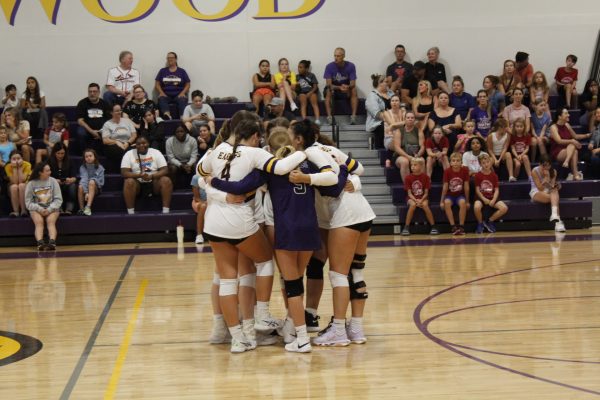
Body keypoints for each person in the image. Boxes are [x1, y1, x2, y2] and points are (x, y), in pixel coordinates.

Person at [196, 118, 308, 353]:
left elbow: (200, 173)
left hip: (214, 220)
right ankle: (263, 314)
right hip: (239, 219)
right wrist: (302, 153)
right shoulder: (255, 152)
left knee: (227, 278)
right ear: (256, 136)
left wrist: (216, 191)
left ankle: (239, 338)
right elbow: (280, 168)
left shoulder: (218, 150)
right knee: (265, 260)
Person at [121, 135, 172, 214]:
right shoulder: (129, 154)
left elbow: (165, 170)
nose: (141, 145)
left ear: (148, 143)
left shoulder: (155, 152)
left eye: (144, 143)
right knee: (128, 182)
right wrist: (139, 175)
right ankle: (130, 213)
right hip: (137, 183)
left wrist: (152, 176)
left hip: (154, 182)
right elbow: (124, 173)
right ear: (135, 145)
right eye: (138, 144)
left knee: (166, 180)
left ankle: (166, 211)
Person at [25, 162, 62, 250]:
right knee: (39, 222)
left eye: (49, 170)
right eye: (47, 170)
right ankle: (40, 243)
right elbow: (28, 202)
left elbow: (58, 199)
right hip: (36, 208)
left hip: (52, 207)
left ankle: (52, 243)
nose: (50, 172)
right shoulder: (31, 183)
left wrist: (49, 209)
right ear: (40, 172)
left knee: (50, 221)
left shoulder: (53, 181)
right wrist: (39, 209)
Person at [550, 108, 590, 180]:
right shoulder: (553, 127)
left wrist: (587, 135)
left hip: (569, 150)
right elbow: (559, 141)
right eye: (566, 113)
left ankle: (571, 169)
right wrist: (572, 141)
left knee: (574, 149)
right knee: (573, 145)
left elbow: (575, 136)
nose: (569, 115)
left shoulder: (567, 125)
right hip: (558, 151)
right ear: (559, 116)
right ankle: (575, 173)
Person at [473, 152, 508, 233]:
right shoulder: (478, 175)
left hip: (492, 196)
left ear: (490, 162)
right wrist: (484, 199)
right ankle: (480, 223)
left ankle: (489, 221)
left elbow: (496, 190)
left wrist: (493, 200)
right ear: (480, 164)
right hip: (481, 197)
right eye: (483, 163)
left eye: (487, 162)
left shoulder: (494, 175)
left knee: (504, 208)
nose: (486, 164)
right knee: (476, 207)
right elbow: (477, 190)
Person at [401, 157, 437, 235]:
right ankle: (406, 227)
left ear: (421, 166)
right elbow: (409, 193)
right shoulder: (408, 178)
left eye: (415, 165)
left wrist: (421, 200)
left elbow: (426, 193)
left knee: (425, 205)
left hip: (423, 197)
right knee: (413, 205)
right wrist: (416, 200)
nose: (412, 167)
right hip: (411, 198)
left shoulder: (426, 177)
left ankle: (433, 226)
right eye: (412, 165)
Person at [530, 155, 566, 232]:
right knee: (555, 199)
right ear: (539, 164)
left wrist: (556, 185)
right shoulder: (534, 171)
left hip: (548, 192)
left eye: (548, 165)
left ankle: (554, 216)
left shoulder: (554, 171)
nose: (546, 168)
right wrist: (546, 178)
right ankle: (558, 222)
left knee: (555, 192)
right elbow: (540, 188)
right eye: (544, 165)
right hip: (536, 192)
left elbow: (551, 188)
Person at [323, 47, 358, 125]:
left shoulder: (351, 66)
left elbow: (353, 83)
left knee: (354, 90)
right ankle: (329, 117)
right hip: (334, 89)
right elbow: (329, 84)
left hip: (346, 89)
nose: (336, 58)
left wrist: (347, 87)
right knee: (328, 90)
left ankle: (353, 117)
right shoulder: (329, 66)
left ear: (343, 56)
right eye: (335, 56)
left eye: (338, 56)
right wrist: (339, 87)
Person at [101, 104, 137, 172]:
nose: (119, 112)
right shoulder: (107, 124)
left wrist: (128, 143)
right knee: (117, 150)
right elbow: (105, 140)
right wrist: (116, 142)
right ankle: (125, 170)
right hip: (114, 145)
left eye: (120, 110)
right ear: (111, 113)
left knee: (134, 149)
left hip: (127, 143)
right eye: (117, 111)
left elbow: (134, 135)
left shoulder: (127, 121)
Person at [440, 152, 469, 235]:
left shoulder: (465, 170)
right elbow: (445, 187)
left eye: (458, 161)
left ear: (461, 162)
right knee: (447, 203)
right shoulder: (447, 171)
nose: (455, 162)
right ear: (450, 163)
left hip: (460, 195)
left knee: (463, 203)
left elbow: (466, 187)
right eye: (453, 161)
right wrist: (441, 201)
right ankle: (453, 226)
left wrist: (467, 201)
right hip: (450, 195)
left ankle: (461, 226)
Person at [76, 83, 111, 153]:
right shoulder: (82, 103)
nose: (92, 94)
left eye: (94, 91)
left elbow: (109, 121)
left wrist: (100, 131)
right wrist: (92, 131)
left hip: (102, 130)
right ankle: (85, 154)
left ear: (98, 92)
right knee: (80, 132)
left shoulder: (105, 104)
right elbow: (80, 121)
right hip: (87, 129)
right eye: (90, 91)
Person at [155, 51, 190, 119]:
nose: (170, 59)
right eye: (168, 58)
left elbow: (188, 84)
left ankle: (183, 118)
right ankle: (167, 116)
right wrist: (161, 93)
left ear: (176, 59)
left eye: (172, 57)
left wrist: (183, 93)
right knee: (161, 99)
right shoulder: (162, 71)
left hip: (179, 94)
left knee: (182, 99)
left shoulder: (182, 71)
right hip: (166, 95)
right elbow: (157, 84)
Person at [393, 111, 425, 182]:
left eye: (412, 118)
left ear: (414, 120)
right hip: (401, 155)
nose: (410, 119)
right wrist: (408, 157)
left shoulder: (419, 131)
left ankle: (420, 184)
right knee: (405, 162)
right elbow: (397, 148)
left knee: (421, 160)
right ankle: (408, 186)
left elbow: (422, 146)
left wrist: (418, 155)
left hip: (415, 155)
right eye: (408, 118)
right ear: (405, 120)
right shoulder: (399, 131)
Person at [48, 142, 77, 215]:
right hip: (54, 185)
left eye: (62, 153)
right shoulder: (49, 161)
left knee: (73, 186)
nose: (60, 155)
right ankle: (59, 208)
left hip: (66, 184)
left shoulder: (70, 161)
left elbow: (74, 177)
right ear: (54, 153)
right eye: (58, 153)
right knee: (55, 185)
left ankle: (69, 209)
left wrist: (71, 180)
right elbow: (45, 176)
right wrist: (54, 180)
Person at [366, 74, 393, 149]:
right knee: (384, 126)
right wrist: (391, 121)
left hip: (393, 120)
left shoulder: (391, 93)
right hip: (378, 122)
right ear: (379, 83)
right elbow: (377, 114)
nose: (387, 84)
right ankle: (382, 149)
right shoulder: (372, 96)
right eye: (386, 82)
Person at [78, 148, 104, 216]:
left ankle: (88, 207)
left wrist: (92, 182)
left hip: (96, 188)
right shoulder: (83, 167)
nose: (88, 158)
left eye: (90, 156)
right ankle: (81, 209)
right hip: (85, 187)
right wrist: (86, 192)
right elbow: (84, 178)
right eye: (86, 156)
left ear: (94, 157)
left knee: (92, 181)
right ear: (84, 158)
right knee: (80, 186)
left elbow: (101, 182)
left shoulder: (100, 167)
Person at [5, 150, 31, 217]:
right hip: (13, 185)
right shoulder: (7, 166)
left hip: (25, 184)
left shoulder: (27, 164)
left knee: (21, 185)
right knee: (14, 187)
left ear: (22, 158)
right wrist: (14, 168)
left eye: (18, 158)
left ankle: (23, 210)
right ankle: (16, 211)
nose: (16, 161)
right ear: (10, 160)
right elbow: (15, 182)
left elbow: (22, 180)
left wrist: (19, 168)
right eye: (14, 159)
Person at [191, 174, 207, 244]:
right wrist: (206, 203)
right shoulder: (196, 177)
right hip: (199, 202)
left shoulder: (216, 176)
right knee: (203, 207)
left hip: (213, 202)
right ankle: (199, 235)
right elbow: (197, 197)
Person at [588, 108, 600, 178]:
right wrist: (591, 144)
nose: (598, 115)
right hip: (597, 152)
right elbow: (593, 138)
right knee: (592, 158)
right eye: (596, 113)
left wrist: (598, 150)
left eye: (599, 113)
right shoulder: (596, 127)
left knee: (594, 159)